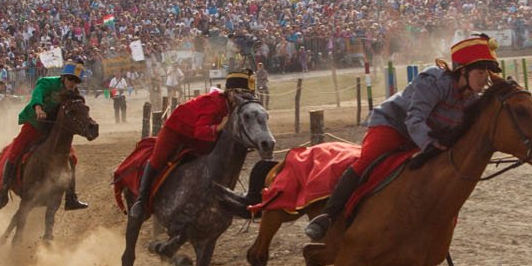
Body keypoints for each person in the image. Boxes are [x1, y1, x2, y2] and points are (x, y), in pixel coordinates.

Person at [305, 35, 502, 246]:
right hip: (392, 126)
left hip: (421, 138)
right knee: (366, 163)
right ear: (462, 70)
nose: (484, 79)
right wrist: (430, 146)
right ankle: (327, 217)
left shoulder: (472, 99)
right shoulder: (434, 81)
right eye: (480, 72)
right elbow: (414, 118)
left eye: (486, 74)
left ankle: (428, 254)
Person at [129, 68, 256, 220]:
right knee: (158, 158)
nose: (244, 98)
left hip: (197, 136)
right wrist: (220, 127)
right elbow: (200, 132)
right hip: (176, 130)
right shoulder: (214, 104)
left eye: (246, 95)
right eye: (241, 94)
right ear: (230, 93)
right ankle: (141, 201)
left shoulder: (233, 106)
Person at [0, 64, 91, 212]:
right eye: (70, 79)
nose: (72, 83)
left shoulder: (74, 92)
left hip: (52, 129)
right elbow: (38, 93)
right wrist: (38, 108)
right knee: (15, 151)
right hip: (35, 123)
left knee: (71, 157)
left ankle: (71, 197)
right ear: (63, 77)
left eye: (75, 81)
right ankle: (3, 192)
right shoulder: (47, 82)